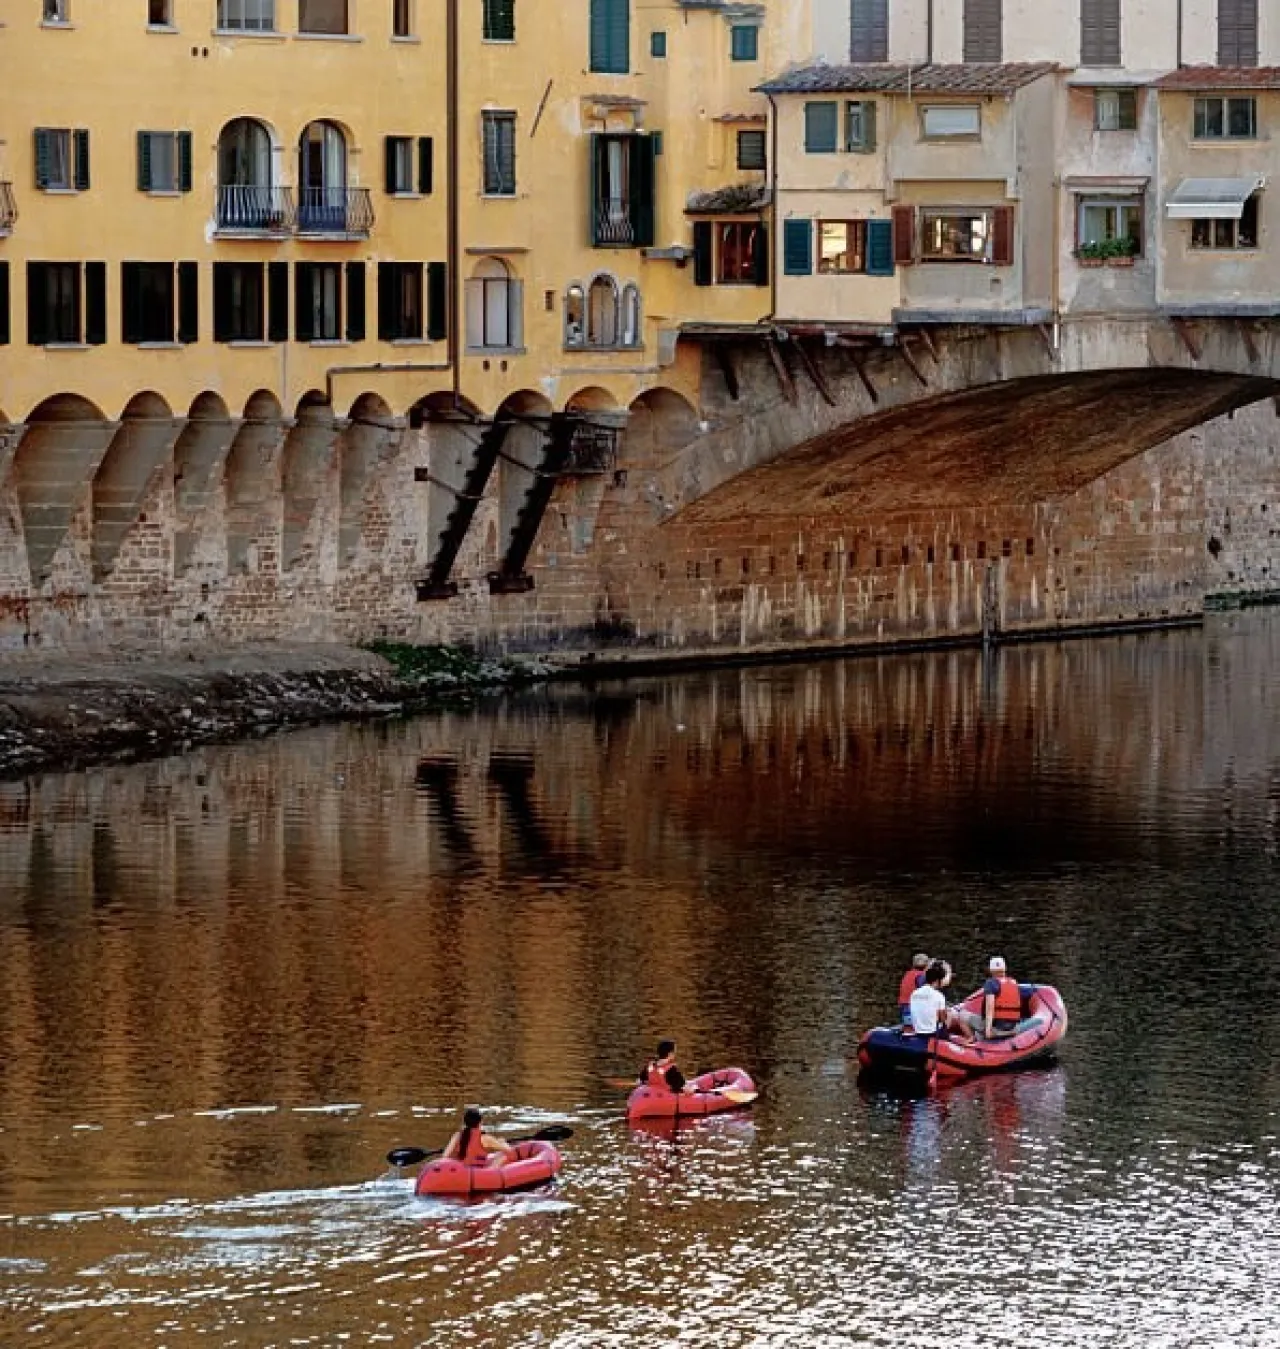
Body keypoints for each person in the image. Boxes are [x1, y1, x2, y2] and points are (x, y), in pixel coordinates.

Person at [956, 956, 1024, 1039]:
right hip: (1013, 1028)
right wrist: (970, 997)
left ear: (990, 970)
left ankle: (971, 1038)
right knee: (981, 1031)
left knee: (962, 1015)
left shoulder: (991, 983)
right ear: (1005, 968)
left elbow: (989, 1007)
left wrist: (988, 1030)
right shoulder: (1014, 982)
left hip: (997, 1028)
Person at [909, 960, 975, 1042]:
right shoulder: (938, 995)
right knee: (956, 1015)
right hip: (934, 1033)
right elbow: (943, 1019)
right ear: (937, 981)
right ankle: (970, 1038)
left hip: (919, 1032)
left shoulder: (914, 993)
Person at [442, 1107, 515, 1168]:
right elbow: (509, 1150)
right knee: (503, 1155)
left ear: (465, 1122)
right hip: (479, 1173)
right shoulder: (485, 1138)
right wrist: (503, 1142)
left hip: (461, 1171)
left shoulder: (457, 1135)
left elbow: (445, 1156)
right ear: (480, 1122)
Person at [898, 953, 931, 1023]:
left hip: (903, 1006)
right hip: (913, 1007)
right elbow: (926, 993)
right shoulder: (921, 976)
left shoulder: (908, 974)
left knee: (908, 1028)